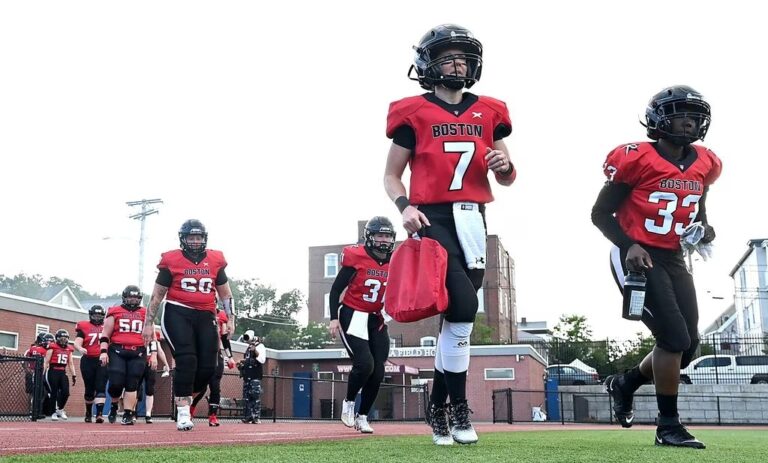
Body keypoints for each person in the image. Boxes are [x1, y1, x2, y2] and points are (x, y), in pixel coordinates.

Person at [383, 24, 515, 446]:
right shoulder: (413, 111)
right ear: (428, 64)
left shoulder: (489, 110)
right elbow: (390, 175)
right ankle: (458, 410)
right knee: (462, 306)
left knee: (456, 325)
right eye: (448, 56)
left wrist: (503, 168)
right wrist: (405, 208)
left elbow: (509, 176)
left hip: (474, 218)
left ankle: (436, 408)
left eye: (463, 56)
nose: (458, 62)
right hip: (432, 217)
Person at [591, 85, 721, 449]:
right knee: (673, 339)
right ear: (659, 118)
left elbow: (699, 212)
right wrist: (628, 244)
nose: (688, 122)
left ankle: (625, 383)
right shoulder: (636, 158)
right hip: (636, 253)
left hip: (674, 256)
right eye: (681, 113)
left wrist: (705, 230)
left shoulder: (705, 163)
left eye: (694, 116)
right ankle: (668, 426)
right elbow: (600, 214)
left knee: (689, 344)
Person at [141, 219, 235, 431]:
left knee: (208, 367)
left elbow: (225, 294)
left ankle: (186, 399)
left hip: (206, 315)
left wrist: (231, 318)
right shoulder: (171, 259)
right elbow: (157, 295)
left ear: (204, 238)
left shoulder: (216, 259)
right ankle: (183, 412)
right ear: (183, 239)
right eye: (191, 237)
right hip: (177, 312)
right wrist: (149, 323)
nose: (194, 241)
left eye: (198, 237)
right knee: (186, 359)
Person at [328, 216, 395, 434]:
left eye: (387, 235)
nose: (384, 240)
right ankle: (348, 403)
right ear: (370, 237)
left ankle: (363, 416)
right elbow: (336, 289)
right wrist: (333, 318)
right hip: (353, 313)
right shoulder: (356, 256)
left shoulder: (395, 260)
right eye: (380, 235)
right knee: (365, 364)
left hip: (376, 317)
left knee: (378, 369)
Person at [100, 285, 150, 425]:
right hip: (117, 350)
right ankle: (114, 405)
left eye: (136, 297)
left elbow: (151, 336)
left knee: (132, 383)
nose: (133, 300)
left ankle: (128, 413)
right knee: (116, 382)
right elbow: (105, 334)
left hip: (138, 351)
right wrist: (103, 352)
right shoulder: (115, 311)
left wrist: (152, 354)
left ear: (140, 299)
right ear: (124, 297)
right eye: (130, 297)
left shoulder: (146, 313)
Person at [191, 307, 236, 427]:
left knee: (215, 386)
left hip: (216, 354)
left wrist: (230, 357)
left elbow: (225, 339)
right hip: (201, 354)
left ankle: (213, 416)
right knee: (201, 387)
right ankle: (190, 409)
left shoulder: (221, 315)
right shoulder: (198, 312)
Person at [74, 305, 108, 423]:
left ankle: (99, 414)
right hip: (88, 360)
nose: (97, 318)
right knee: (89, 389)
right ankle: (88, 412)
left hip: (102, 360)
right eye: (95, 315)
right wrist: (80, 348)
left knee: (101, 387)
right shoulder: (84, 326)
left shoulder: (107, 327)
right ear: (90, 315)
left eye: (100, 316)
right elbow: (77, 342)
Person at [43, 329, 77, 421]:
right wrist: (43, 373)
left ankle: (60, 409)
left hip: (62, 372)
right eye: (62, 338)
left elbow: (70, 363)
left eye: (65, 338)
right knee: (53, 392)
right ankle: (53, 412)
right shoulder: (52, 347)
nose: (64, 340)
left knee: (66, 392)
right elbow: (46, 361)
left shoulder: (69, 348)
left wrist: (74, 375)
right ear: (57, 338)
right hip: (53, 371)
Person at [140, 327, 170, 424]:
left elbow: (159, 350)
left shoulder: (154, 335)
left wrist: (166, 364)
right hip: (138, 363)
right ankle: (132, 412)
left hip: (150, 364)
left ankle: (148, 414)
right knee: (134, 388)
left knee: (150, 389)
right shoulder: (137, 333)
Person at [237, 330, 266, 424]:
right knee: (246, 397)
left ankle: (256, 417)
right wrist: (241, 364)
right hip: (247, 377)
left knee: (255, 397)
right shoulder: (248, 348)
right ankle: (247, 416)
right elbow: (248, 360)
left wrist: (255, 350)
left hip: (255, 377)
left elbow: (262, 360)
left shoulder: (260, 346)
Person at [24, 332, 52, 419]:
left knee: (42, 392)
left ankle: (38, 410)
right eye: (47, 341)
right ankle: (33, 411)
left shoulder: (47, 350)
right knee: (34, 392)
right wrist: (29, 371)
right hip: (33, 372)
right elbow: (24, 360)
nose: (48, 343)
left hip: (43, 374)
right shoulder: (33, 349)